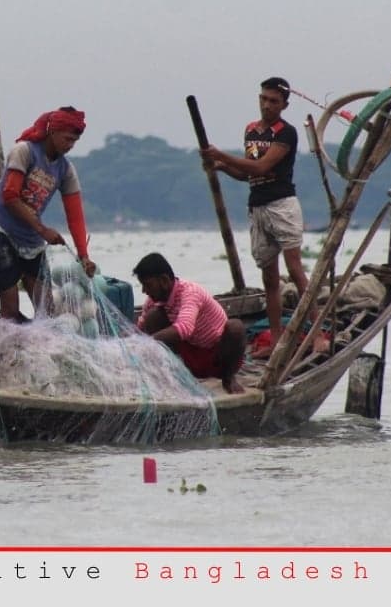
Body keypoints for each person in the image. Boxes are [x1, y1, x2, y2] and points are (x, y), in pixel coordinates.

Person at [200, 77, 324, 359]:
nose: (267, 105)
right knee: (269, 279)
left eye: (274, 102)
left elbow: (263, 166)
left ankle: (318, 336)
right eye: (264, 99)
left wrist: (222, 155)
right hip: (257, 207)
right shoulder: (252, 130)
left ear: (284, 105)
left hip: (282, 205)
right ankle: (277, 342)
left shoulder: (286, 133)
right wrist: (220, 167)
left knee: (295, 270)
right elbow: (249, 175)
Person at [0, 106, 97, 322]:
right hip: (4, 234)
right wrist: (43, 230)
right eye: (67, 139)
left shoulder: (65, 169)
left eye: (74, 141)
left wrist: (83, 256)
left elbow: (75, 216)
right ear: (52, 132)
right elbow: (10, 196)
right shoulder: (25, 151)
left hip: (32, 243)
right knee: (9, 311)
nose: (70, 145)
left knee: (47, 312)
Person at [133, 253, 246, 394]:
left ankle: (229, 379)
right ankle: (174, 375)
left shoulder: (190, 293)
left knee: (236, 327)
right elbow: (141, 326)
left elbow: (184, 328)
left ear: (164, 280)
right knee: (152, 317)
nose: (144, 291)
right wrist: (129, 342)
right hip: (189, 355)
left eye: (148, 285)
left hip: (217, 356)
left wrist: (148, 341)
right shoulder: (153, 300)